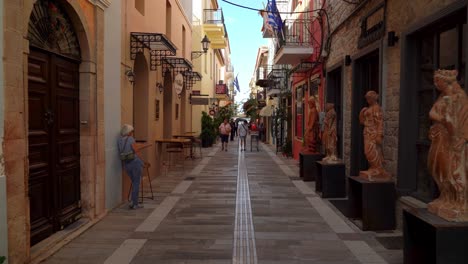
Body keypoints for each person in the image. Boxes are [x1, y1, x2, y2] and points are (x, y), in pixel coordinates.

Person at [427, 69, 468, 221]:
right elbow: (432, 113)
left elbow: (460, 121)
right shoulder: (442, 97)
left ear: (446, 81)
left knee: (452, 170)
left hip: (452, 139)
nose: (435, 83)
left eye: (437, 81)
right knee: (437, 168)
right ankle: (446, 198)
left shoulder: (459, 97)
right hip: (440, 137)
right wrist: (441, 119)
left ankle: (460, 203)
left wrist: (460, 138)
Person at [358, 91, 391, 181]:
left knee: (372, 151)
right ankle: (373, 168)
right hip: (367, 131)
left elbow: (379, 122)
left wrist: (379, 134)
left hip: (373, 133)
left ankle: (378, 169)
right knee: (367, 151)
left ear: (373, 98)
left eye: (369, 98)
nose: (368, 100)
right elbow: (362, 122)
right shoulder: (369, 108)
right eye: (367, 98)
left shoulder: (376, 108)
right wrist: (361, 112)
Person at [118, 124, 151, 209]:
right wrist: (142, 162)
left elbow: (128, 149)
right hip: (134, 162)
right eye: (132, 131)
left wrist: (144, 145)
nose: (132, 133)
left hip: (126, 164)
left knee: (134, 182)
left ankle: (133, 201)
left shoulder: (120, 140)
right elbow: (136, 151)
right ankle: (134, 203)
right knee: (136, 182)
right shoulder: (130, 139)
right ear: (129, 132)